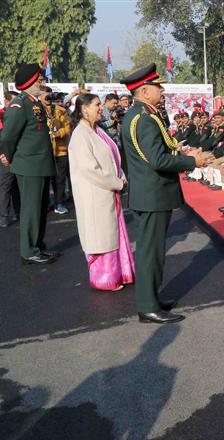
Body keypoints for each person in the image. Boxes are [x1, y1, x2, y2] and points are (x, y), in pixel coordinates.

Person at [119, 63, 214, 324]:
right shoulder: (143, 119)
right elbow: (158, 161)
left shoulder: (141, 115)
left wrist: (181, 155)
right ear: (145, 91)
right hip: (152, 194)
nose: (162, 90)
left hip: (149, 192)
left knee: (154, 251)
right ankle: (148, 306)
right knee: (150, 253)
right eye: (158, 87)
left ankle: (153, 298)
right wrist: (193, 162)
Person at [68, 92, 134, 291]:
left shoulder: (97, 130)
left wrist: (120, 174)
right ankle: (105, 279)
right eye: (96, 105)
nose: (100, 108)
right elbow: (91, 170)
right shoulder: (80, 135)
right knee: (101, 238)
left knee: (110, 234)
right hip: (95, 194)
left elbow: (113, 156)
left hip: (107, 192)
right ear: (83, 109)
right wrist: (117, 182)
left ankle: (119, 273)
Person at [0, 64, 59, 265]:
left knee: (41, 209)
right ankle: (29, 250)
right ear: (30, 82)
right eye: (39, 78)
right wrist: (7, 155)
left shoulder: (35, 103)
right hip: (29, 165)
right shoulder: (20, 105)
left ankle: (38, 245)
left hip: (40, 164)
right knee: (32, 210)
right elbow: (7, 136)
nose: (42, 81)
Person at [0, 91, 21, 227]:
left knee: (17, 184)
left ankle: (18, 211)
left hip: (20, 153)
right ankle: (4, 215)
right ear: (6, 102)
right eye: (14, 102)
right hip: (6, 154)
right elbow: (4, 134)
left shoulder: (20, 113)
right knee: (7, 184)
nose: (17, 105)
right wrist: (5, 155)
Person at [43, 90, 72, 214]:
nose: (49, 99)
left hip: (61, 151)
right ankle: (45, 203)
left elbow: (68, 127)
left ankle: (59, 203)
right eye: (46, 97)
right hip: (44, 151)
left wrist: (58, 133)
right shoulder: (37, 110)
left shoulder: (61, 110)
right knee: (44, 180)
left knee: (60, 179)